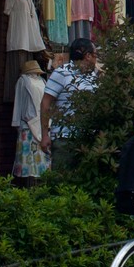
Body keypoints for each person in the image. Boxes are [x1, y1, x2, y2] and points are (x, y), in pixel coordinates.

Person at [41, 37, 98, 172]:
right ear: (87, 56)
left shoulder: (93, 77)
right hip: (64, 138)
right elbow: (45, 103)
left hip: (87, 138)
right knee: (61, 180)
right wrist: (44, 134)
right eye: (95, 55)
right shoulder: (62, 73)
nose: (96, 60)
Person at [11, 58, 49, 182]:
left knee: (34, 158)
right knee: (32, 159)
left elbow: (18, 102)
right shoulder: (33, 81)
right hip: (30, 123)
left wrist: (16, 122)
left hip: (32, 122)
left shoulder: (33, 81)